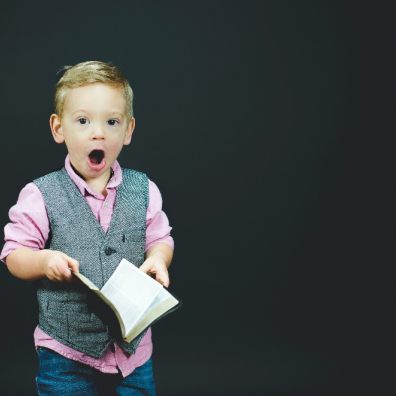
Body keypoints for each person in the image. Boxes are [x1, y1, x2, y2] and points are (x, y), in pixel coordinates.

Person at [1, 61, 174, 395]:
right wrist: (43, 261)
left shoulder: (144, 189)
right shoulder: (41, 195)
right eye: (83, 121)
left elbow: (160, 238)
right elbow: (13, 255)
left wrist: (159, 258)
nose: (99, 133)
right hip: (66, 352)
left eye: (112, 122)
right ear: (58, 128)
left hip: (133, 352)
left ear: (128, 130)